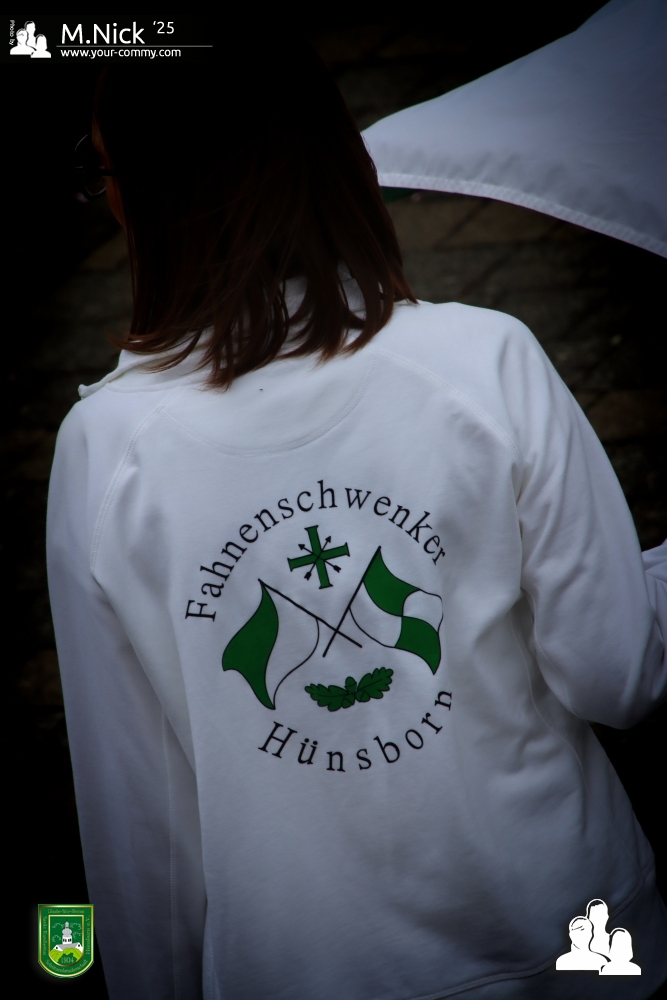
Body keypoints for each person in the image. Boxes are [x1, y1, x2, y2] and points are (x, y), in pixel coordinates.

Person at [47, 41, 667, 1000]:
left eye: (103, 171)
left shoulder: (107, 450)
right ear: (335, 155)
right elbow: (617, 673)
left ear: (148, 198)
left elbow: (141, 834)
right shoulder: (485, 362)